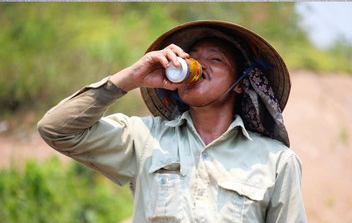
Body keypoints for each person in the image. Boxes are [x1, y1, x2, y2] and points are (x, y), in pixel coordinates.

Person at [38, 20, 307, 221]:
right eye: (190, 59)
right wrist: (131, 78)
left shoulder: (277, 162)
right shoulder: (145, 139)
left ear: (240, 83)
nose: (197, 67)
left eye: (215, 59)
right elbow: (55, 129)